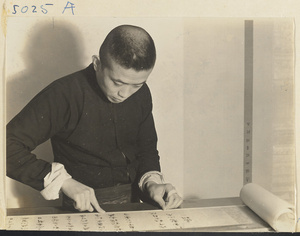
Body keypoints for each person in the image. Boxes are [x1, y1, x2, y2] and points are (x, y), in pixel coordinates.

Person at [6, 24, 183, 213]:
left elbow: (146, 149)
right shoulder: (63, 93)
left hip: (134, 205)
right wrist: (63, 182)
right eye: (117, 82)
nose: (125, 94)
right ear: (97, 63)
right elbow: (6, 145)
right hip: (81, 209)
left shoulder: (141, 94)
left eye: (137, 85)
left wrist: (152, 183)